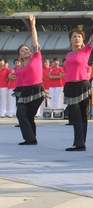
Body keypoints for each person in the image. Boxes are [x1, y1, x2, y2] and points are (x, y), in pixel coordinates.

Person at [63, 8, 93, 151]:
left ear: (83, 40)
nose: (77, 38)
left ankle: (79, 143)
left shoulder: (85, 50)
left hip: (82, 85)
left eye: (79, 37)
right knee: (75, 115)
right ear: (70, 39)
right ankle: (80, 142)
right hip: (70, 86)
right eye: (74, 36)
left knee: (81, 115)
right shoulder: (68, 55)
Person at [14, 14, 46, 145]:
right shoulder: (20, 67)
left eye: (27, 49)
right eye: (22, 51)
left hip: (37, 89)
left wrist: (33, 26)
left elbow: (35, 41)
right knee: (21, 114)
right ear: (20, 56)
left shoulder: (36, 57)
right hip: (25, 90)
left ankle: (31, 138)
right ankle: (31, 138)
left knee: (29, 115)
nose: (25, 51)